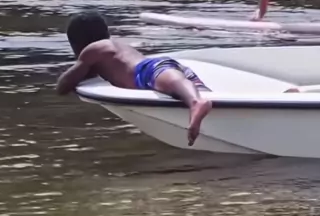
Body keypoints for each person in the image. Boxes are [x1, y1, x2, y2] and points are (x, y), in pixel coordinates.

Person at [56, 11, 212, 146]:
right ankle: (201, 104)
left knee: (182, 89)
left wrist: (76, 68)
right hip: (164, 67)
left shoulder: (91, 51)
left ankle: (196, 102)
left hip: (148, 71)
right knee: (200, 92)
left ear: (77, 43)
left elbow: (65, 84)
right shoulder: (113, 47)